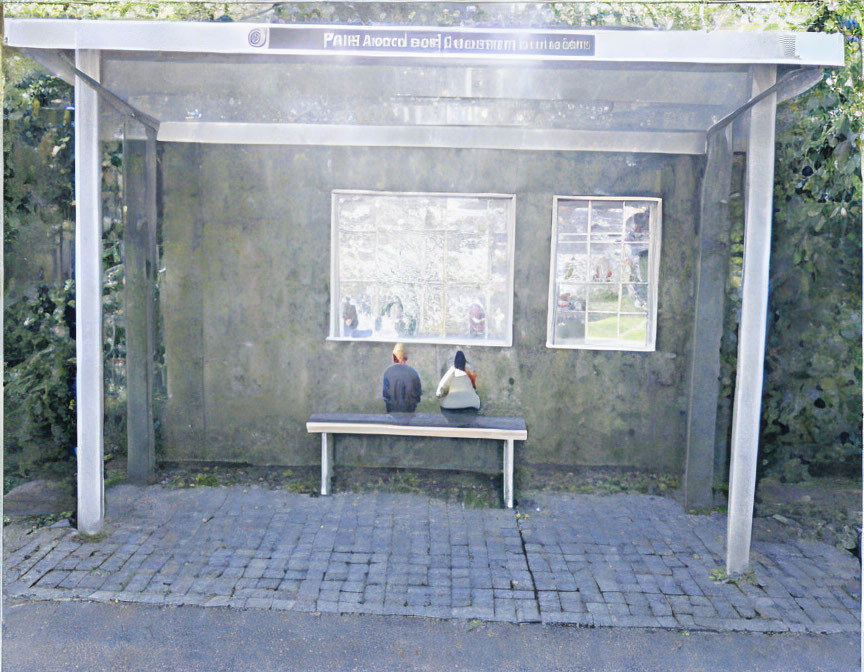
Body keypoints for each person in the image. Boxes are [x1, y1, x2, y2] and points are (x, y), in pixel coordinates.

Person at [382, 343, 422, 413]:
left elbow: (386, 395)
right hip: (410, 417)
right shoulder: (413, 373)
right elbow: (418, 397)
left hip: (391, 416)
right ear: (406, 357)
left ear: (394, 356)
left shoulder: (388, 373)